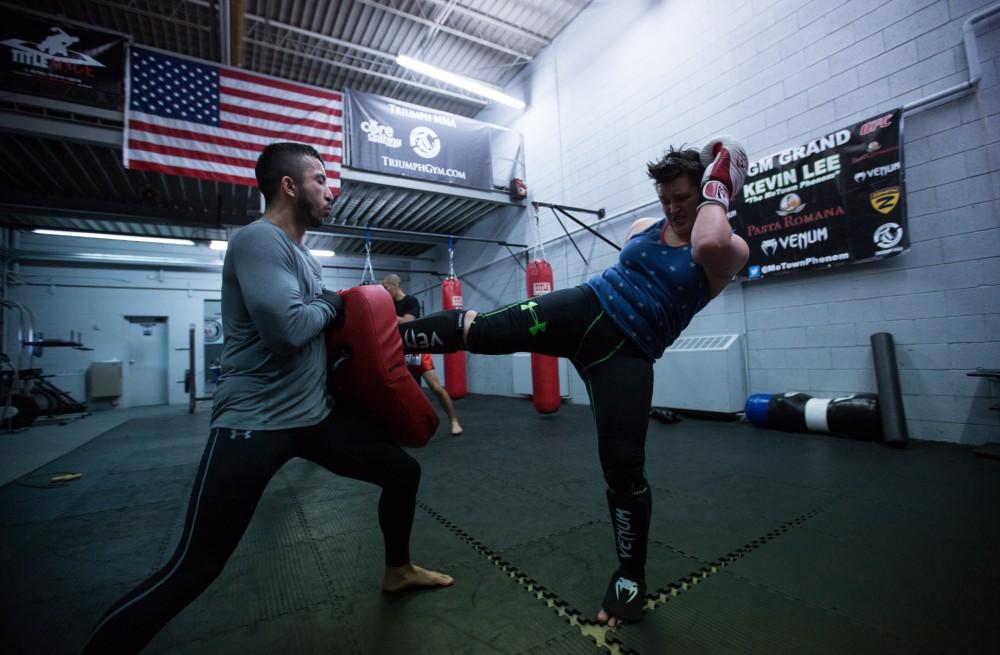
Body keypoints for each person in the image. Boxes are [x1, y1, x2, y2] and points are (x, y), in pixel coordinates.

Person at [79, 142, 452, 654]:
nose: (331, 189)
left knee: (401, 472)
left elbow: (318, 336)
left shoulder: (301, 256)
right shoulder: (258, 240)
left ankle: (398, 570)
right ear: (290, 186)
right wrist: (332, 302)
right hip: (253, 423)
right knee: (196, 567)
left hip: (312, 418)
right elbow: (285, 330)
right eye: (321, 179)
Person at [396, 137, 749, 628]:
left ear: (712, 193)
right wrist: (690, 199)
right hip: (584, 309)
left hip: (626, 354)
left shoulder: (728, 249)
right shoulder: (644, 227)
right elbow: (636, 260)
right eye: (665, 198)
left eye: (683, 198)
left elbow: (707, 240)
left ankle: (630, 577)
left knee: (622, 467)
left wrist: (720, 182)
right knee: (485, 330)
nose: (672, 209)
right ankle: (387, 338)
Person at [382, 273, 464, 436]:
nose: (383, 291)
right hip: (399, 350)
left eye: (385, 287)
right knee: (401, 390)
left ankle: (454, 420)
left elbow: (407, 322)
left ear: (395, 286)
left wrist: (386, 311)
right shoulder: (388, 303)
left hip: (417, 348)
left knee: (435, 387)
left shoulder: (410, 301)